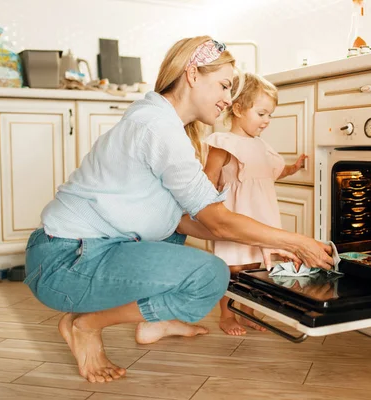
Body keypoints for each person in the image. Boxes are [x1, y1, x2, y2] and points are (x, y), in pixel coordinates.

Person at [23, 36, 333, 384]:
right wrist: (294, 242)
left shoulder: (158, 119)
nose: (228, 99)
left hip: (72, 253)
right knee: (210, 276)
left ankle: (153, 320)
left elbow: (186, 222)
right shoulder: (158, 128)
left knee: (172, 226)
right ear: (192, 75)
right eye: (224, 85)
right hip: (65, 265)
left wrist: (270, 240)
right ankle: (85, 324)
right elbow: (215, 220)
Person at [204, 72, 308, 336]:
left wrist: (293, 168)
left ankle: (247, 310)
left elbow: (273, 172)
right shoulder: (223, 143)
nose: (267, 121)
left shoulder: (263, 146)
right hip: (236, 217)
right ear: (238, 109)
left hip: (262, 218)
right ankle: (227, 315)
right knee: (234, 268)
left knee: (257, 268)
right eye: (261, 114)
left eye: (270, 115)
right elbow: (207, 179)